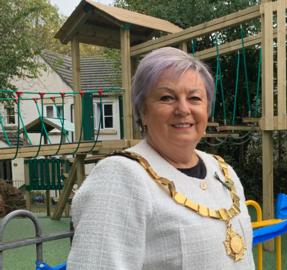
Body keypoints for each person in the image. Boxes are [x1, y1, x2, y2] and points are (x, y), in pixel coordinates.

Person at [67, 47, 255, 270]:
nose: (183, 109)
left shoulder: (223, 171)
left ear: (207, 109)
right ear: (143, 112)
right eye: (167, 98)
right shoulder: (120, 176)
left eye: (194, 98)